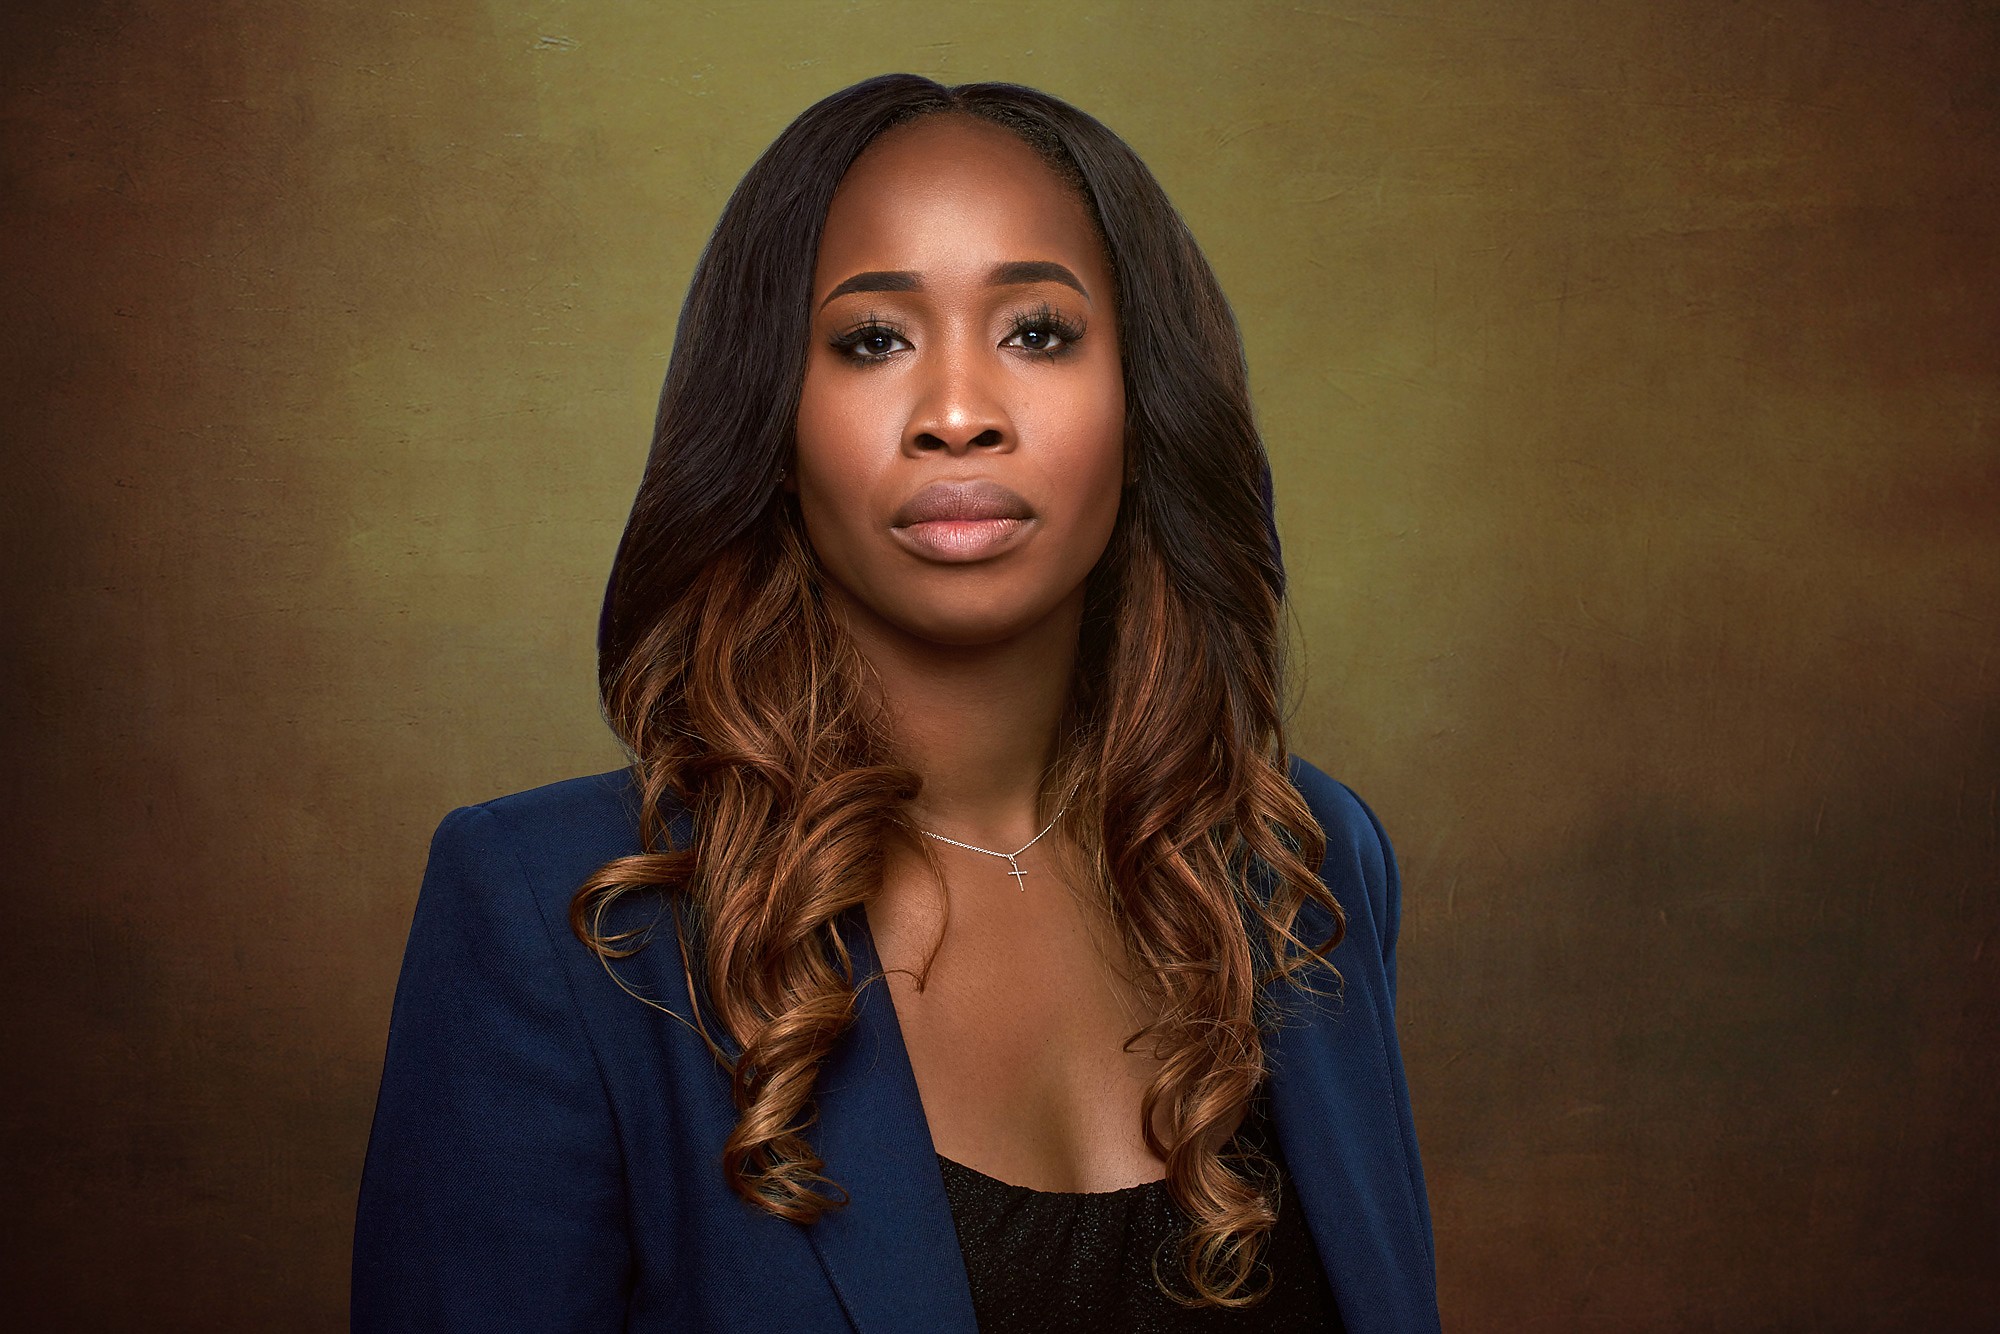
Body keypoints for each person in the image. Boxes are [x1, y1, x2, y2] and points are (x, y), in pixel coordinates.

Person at [351, 73, 1440, 1333]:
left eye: (1036, 332)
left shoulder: (1307, 863)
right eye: (872, 340)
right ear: (772, 420)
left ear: (1143, 405)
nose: (958, 414)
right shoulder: (566, 920)